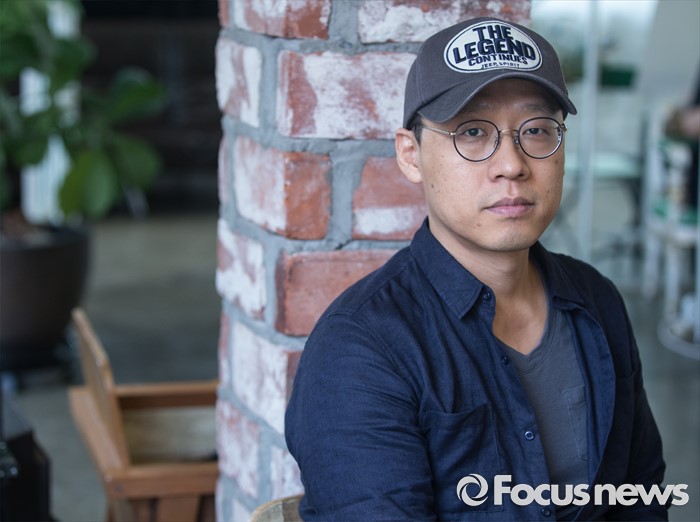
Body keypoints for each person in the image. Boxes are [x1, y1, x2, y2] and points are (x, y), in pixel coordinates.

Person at [285, 17, 667, 521]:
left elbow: (640, 496)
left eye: (537, 130)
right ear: (411, 155)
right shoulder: (361, 348)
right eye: (471, 132)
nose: (511, 164)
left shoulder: (596, 300)